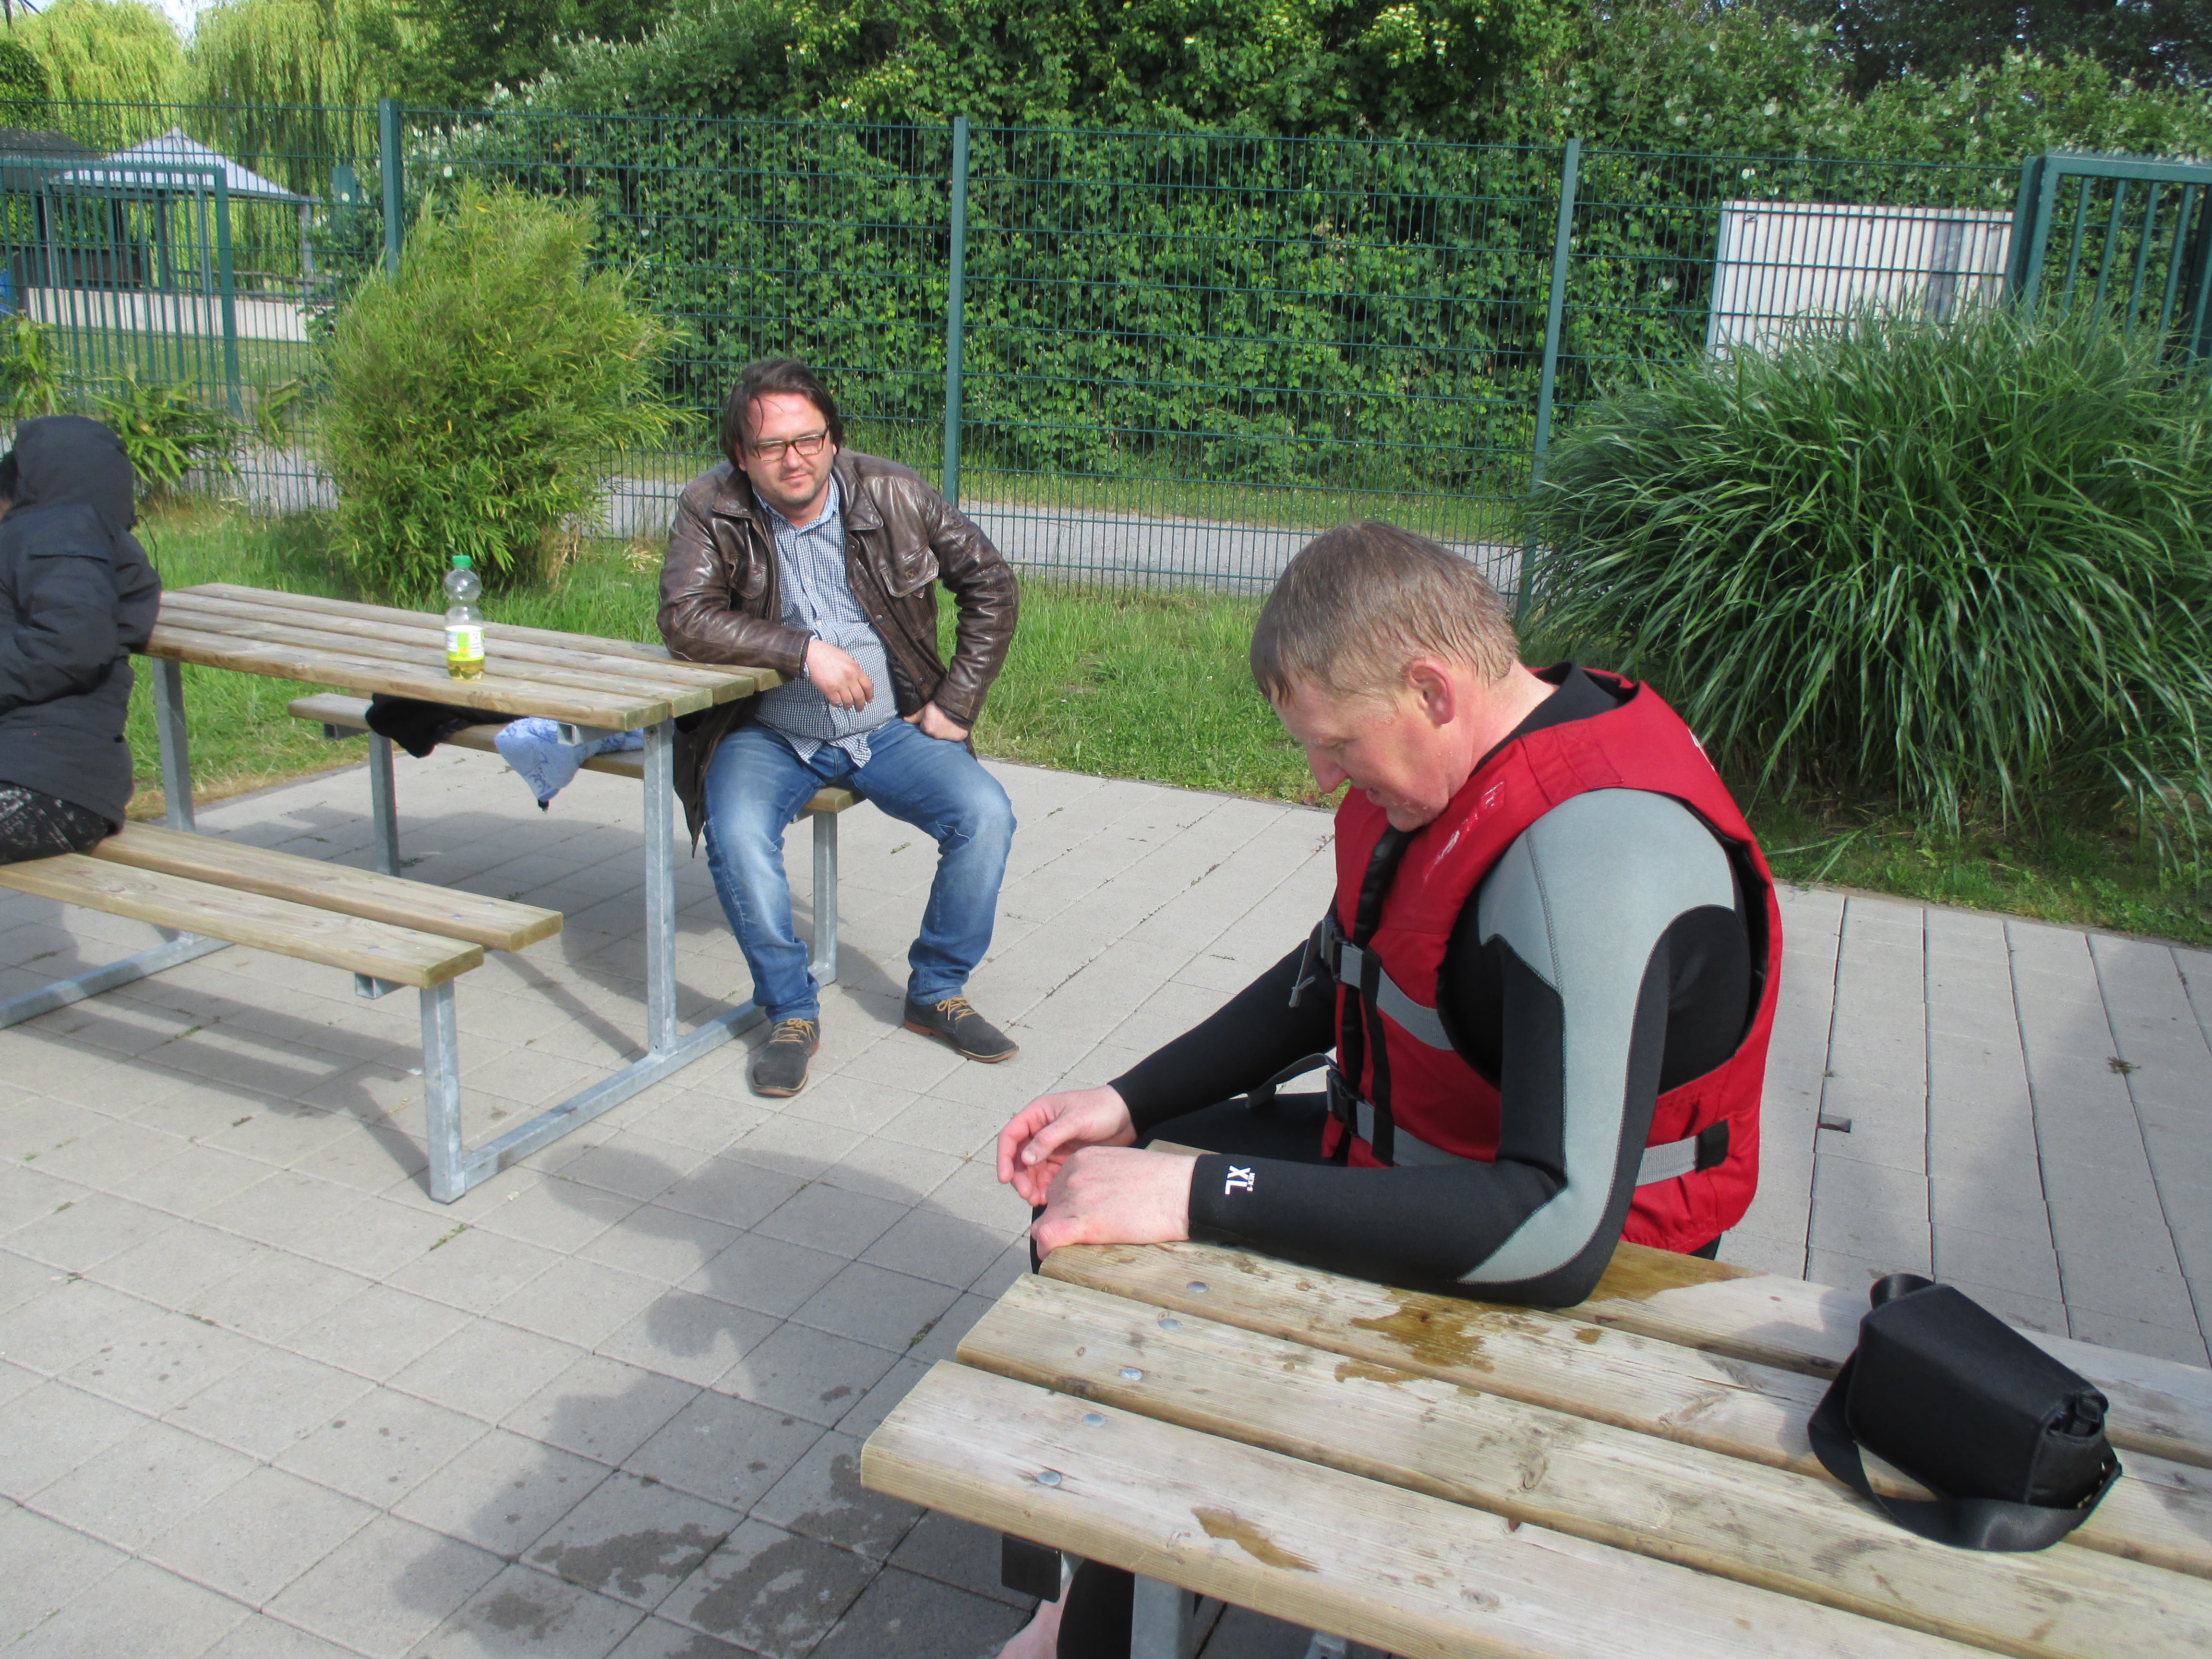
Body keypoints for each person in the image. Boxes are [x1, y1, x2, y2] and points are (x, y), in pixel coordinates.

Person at [992, 522, 1783, 1659]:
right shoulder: (1444, 774)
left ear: (1431, 688)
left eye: (1334, 743)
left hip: (1585, 1261)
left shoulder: (1590, 850)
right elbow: (1337, 973)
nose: (1321, 776)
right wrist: (1128, 1101)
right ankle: (1083, 1577)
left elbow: (1557, 1226)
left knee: (1158, 1214)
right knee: (1087, 1186)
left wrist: (1196, 1194)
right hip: (1424, 1163)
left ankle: (1105, 1622)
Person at [660, 359, 1021, 1096]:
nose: (794, 459)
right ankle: (791, 1012)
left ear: (832, 438)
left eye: (809, 439)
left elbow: (990, 582)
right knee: (737, 835)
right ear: (741, 455)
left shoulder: (893, 491)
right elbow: (684, 619)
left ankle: (936, 990)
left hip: (886, 726)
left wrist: (955, 704)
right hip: (767, 731)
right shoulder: (711, 504)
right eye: (771, 445)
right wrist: (803, 652)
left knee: (985, 814)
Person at [0, 415, 159, 863]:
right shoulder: (71, 537)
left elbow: (73, 644)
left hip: (44, 783)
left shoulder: (60, 533)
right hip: (44, 779)